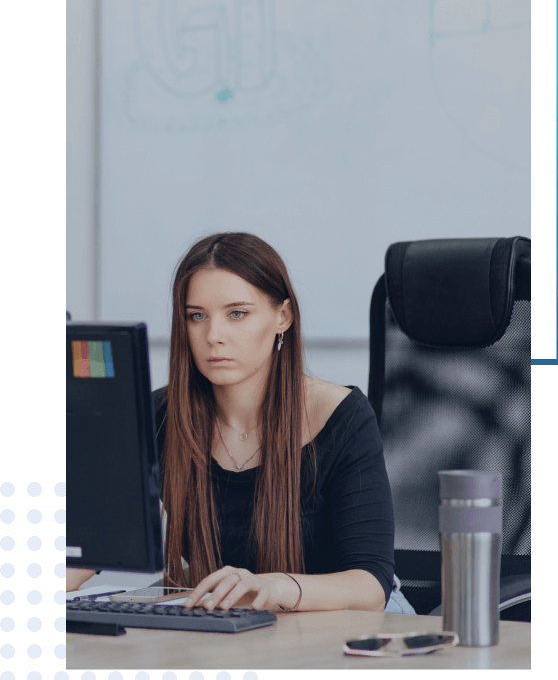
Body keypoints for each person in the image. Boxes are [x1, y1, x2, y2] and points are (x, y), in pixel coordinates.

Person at [67, 232, 415, 615]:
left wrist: (276, 586)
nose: (213, 336)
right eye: (197, 316)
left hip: (342, 619)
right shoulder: (162, 416)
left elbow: (370, 584)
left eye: (237, 313)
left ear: (283, 316)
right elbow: (97, 545)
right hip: (236, 621)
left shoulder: (340, 415)